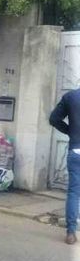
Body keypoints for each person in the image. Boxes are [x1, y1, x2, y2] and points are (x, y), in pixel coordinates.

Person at [50, 87, 80, 245]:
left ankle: (71, 233)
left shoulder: (71, 96)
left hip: (76, 151)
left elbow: (53, 119)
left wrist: (70, 131)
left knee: (74, 193)